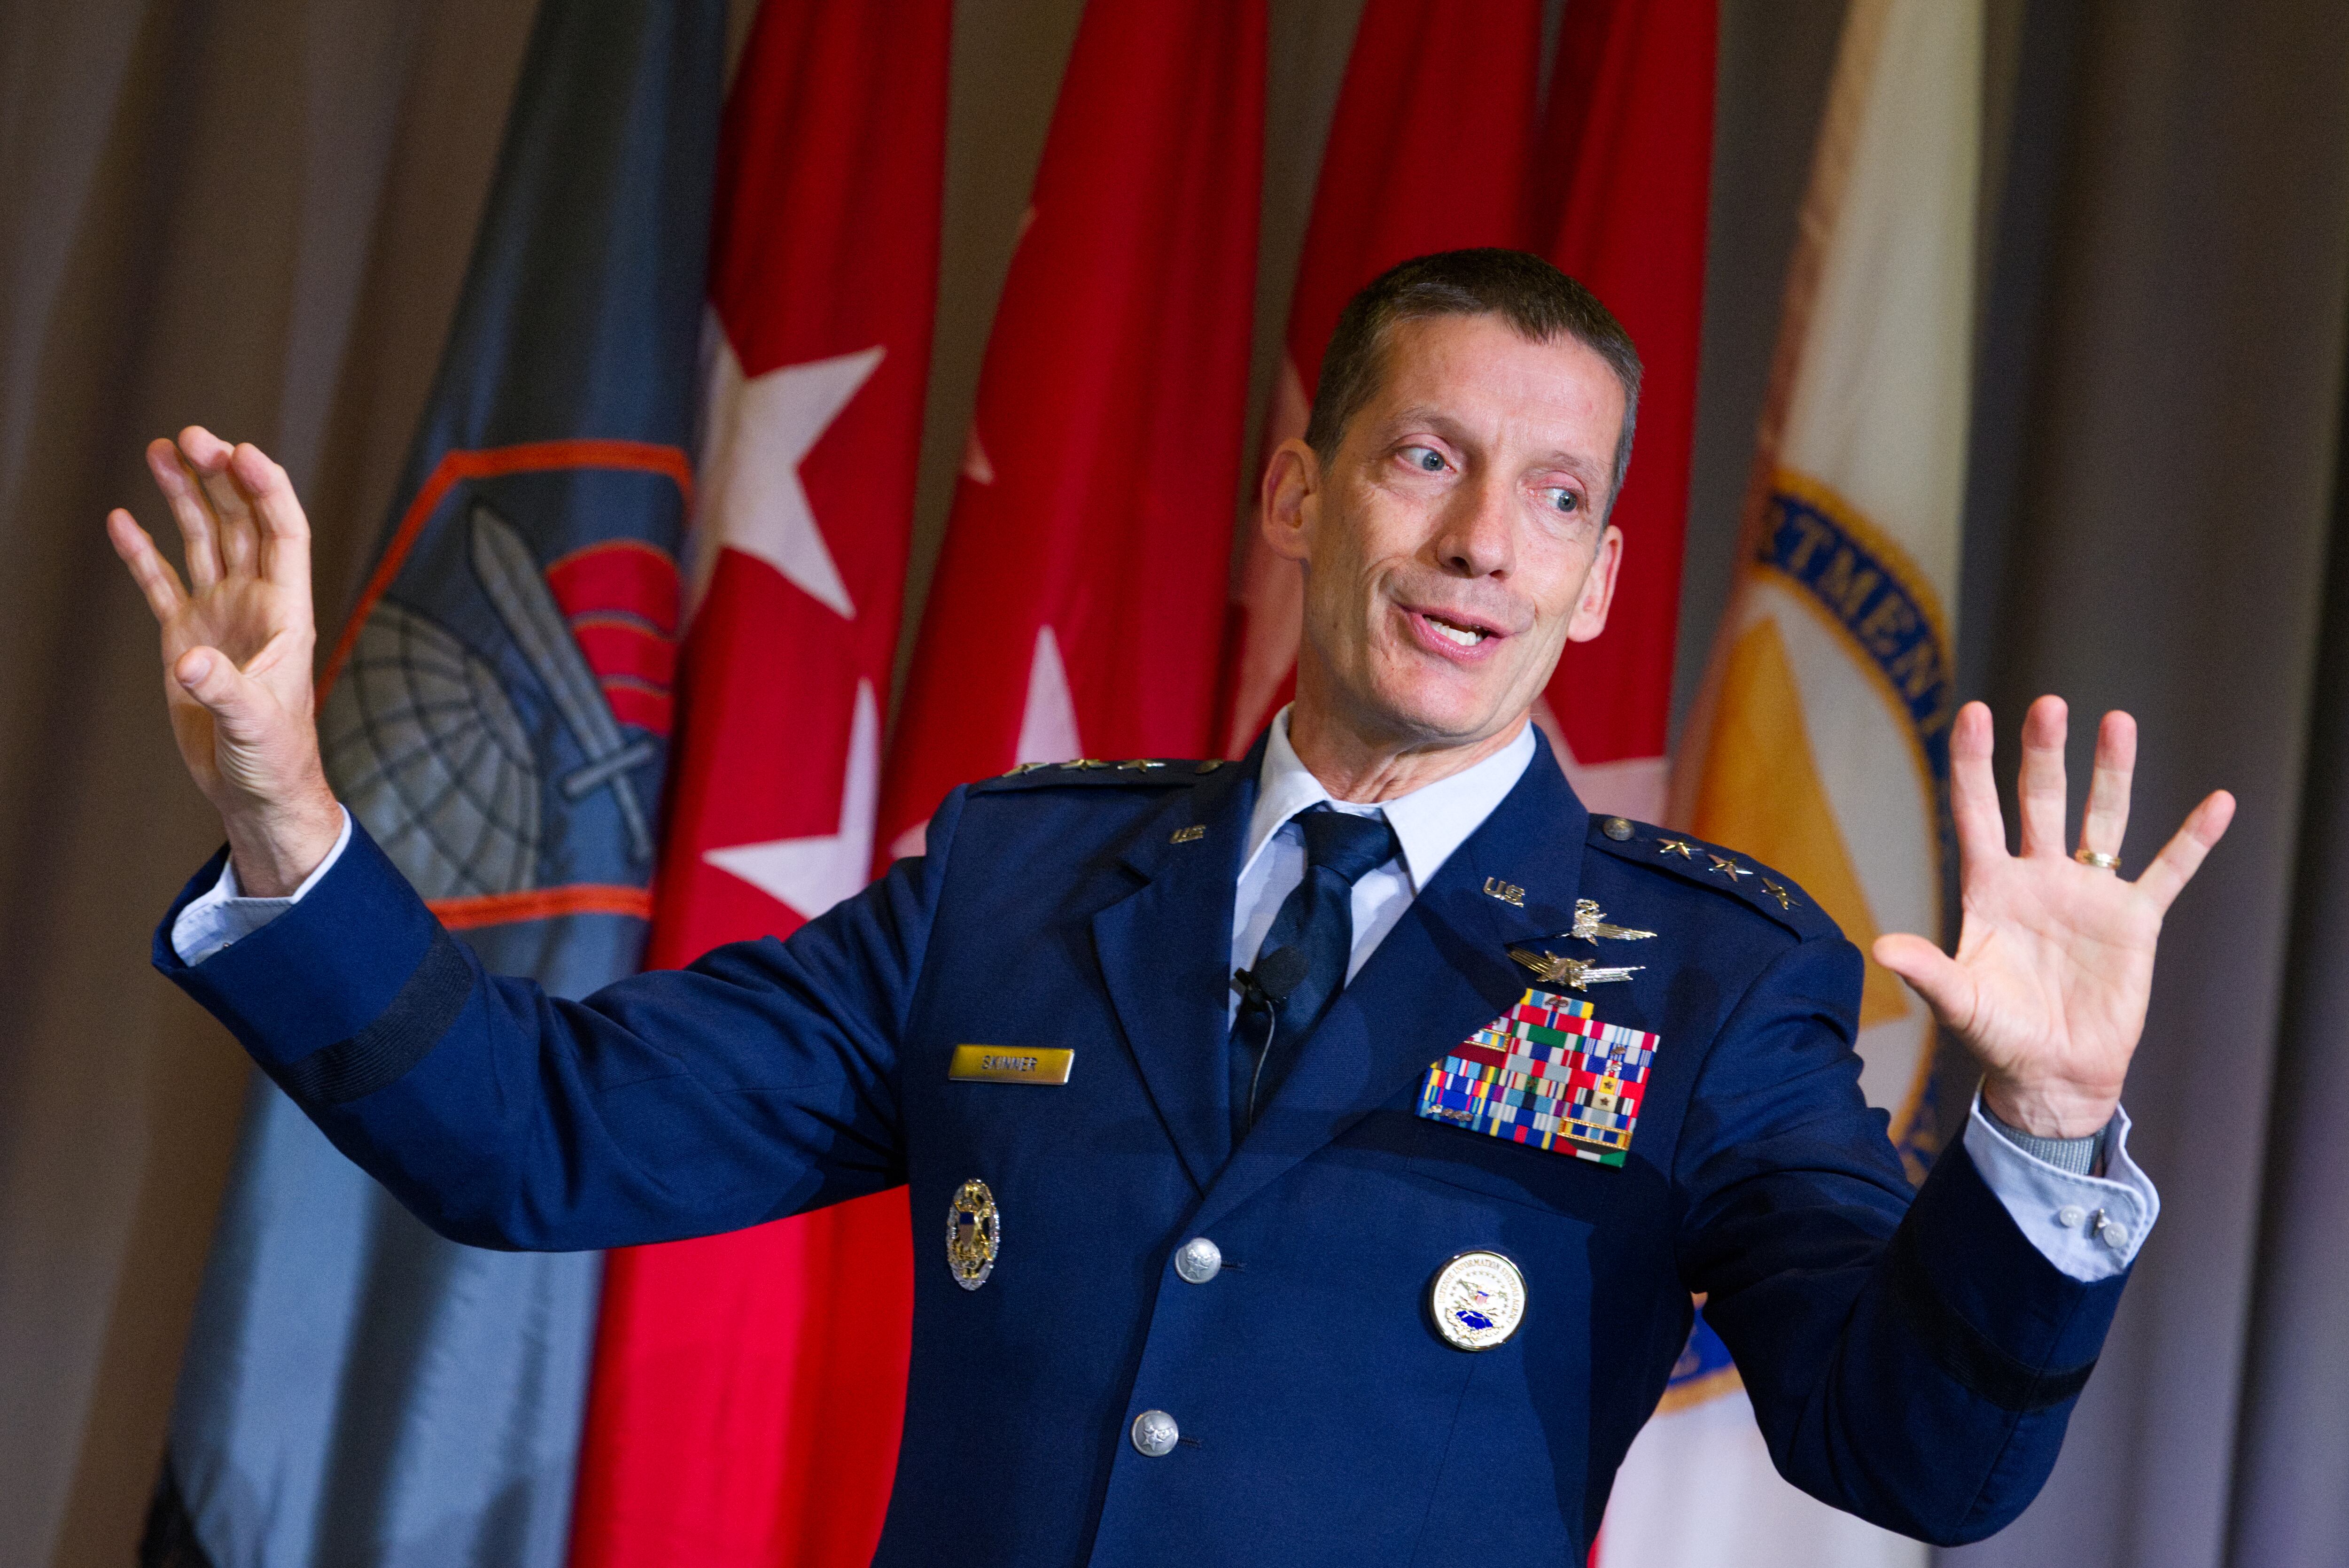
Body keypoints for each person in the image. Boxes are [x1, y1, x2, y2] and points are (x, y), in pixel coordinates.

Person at [112, 250, 2231, 1565]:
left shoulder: (1711, 971)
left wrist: (2037, 1142)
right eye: (1422, 460)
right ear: (1298, 493)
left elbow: (1909, 1457)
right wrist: (292, 806)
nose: (1482, 541)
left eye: (1557, 499)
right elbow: (535, 1132)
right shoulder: (1023, 886)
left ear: (1595, 585)